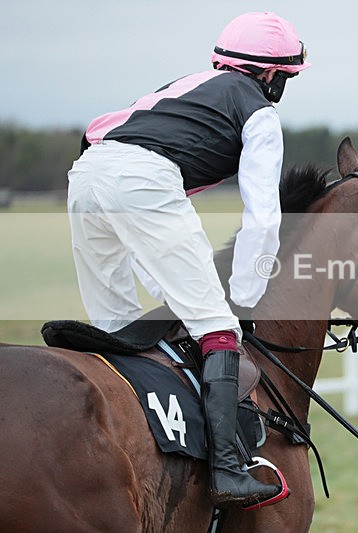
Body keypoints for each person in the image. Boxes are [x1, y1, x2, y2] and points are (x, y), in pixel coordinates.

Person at [66, 12, 310, 509]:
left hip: (87, 175)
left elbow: (99, 133)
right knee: (218, 327)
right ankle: (227, 470)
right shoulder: (260, 111)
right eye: (284, 77)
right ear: (270, 74)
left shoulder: (188, 84)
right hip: (141, 180)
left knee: (115, 324)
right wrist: (243, 299)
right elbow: (264, 217)